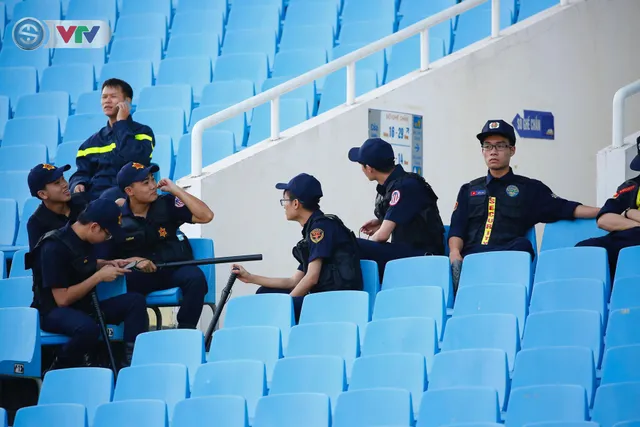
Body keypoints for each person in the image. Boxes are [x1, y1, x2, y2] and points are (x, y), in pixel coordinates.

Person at [448, 119, 600, 288]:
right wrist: (455, 253)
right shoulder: (469, 189)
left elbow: (566, 208)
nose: (493, 152)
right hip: (474, 258)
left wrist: (606, 211)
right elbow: (457, 228)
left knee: (523, 245)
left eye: (500, 146)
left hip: (509, 258)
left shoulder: (529, 188)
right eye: (488, 146)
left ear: (512, 150)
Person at [28, 199, 148, 371]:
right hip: (53, 311)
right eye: (108, 234)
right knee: (87, 328)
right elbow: (62, 299)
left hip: (85, 305)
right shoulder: (53, 247)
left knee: (135, 301)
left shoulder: (82, 238)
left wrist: (108, 263)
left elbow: (82, 263)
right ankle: (56, 369)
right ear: (94, 227)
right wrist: (98, 277)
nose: (108, 239)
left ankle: (129, 366)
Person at [231, 173, 363, 321]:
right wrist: (250, 277)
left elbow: (311, 278)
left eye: (285, 201)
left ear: (295, 204)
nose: (284, 206)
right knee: (265, 292)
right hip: (322, 300)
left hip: (335, 302)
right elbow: (293, 281)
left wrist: (284, 306)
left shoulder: (320, 229)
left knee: (273, 306)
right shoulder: (314, 228)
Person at [105, 161, 214, 329]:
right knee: (127, 293)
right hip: (142, 275)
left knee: (195, 278)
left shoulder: (167, 203)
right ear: (129, 191)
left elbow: (206, 216)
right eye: (145, 183)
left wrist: (176, 190)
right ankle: (133, 346)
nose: (153, 186)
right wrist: (133, 261)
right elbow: (107, 259)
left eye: (152, 179)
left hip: (174, 269)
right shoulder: (116, 217)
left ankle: (185, 330)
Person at [348, 137, 445, 278]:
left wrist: (364, 245)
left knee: (350, 245)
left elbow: (382, 236)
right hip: (409, 251)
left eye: (361, 165)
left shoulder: (403, 186)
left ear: (369, 168)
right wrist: (381, 223)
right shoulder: (398, 184)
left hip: (421, 256)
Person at [70, 78, 155, 201]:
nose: (107, 101)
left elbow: (136, 159)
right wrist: (78, 183)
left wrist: (121, 123)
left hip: (125, 194)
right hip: (95, 196)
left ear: (127, 102)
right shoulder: (90, 143)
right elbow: (82, 171)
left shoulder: (143, 132)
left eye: (113, 96)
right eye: (104, 97)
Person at [576, 135, 640, 277]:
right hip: (628, 237)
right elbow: (604, 220)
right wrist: (634, 220)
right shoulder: (631, 186)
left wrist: (629, 213)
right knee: (585, 248)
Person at [27, 163, 89, 251]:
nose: (65, 184)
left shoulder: (80, 201)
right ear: (43, 194)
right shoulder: (36, 222)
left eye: (63, 179)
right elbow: (39, 261)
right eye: (57, 183)